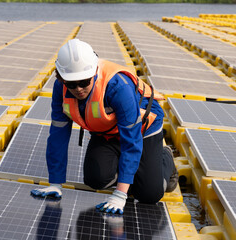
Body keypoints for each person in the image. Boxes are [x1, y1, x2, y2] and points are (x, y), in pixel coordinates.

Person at [31, 39, 178, 214]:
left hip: (142, 131)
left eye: (84, 82)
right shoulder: (60, 88)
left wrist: (120, 194)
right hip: (107, 132)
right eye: (71, 84)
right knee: (95, 180)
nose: (78, 89)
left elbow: (131, 140)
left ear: (93, 73)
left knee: (148, 194)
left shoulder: (118, 87)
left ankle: (165, 157)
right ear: (61, 79)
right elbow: (58, 134)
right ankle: (132, 169)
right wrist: (55, 183)